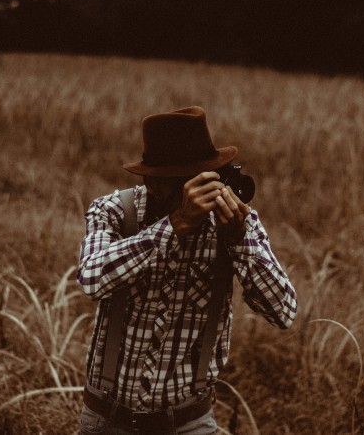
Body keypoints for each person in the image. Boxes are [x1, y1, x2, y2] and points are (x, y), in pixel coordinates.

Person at [77, 106, 297, 434]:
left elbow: (284, 312)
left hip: (189, 421)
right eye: (184, 181)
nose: (196, 193)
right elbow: (92, 279)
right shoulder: (115, 211)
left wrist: (238, 240)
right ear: (152, 182)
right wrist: (175, 225)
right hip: (109, 418)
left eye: (201, 178)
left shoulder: (235, 221)